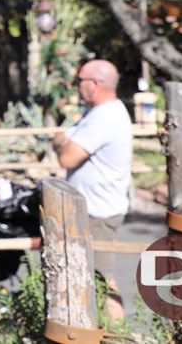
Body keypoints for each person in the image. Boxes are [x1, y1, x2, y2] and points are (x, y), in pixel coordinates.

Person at [52, 59, 132, 320]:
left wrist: (66, 142)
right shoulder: (95, 113)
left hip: (98, 211)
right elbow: (61, 140)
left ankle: (118, 336)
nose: (77, 86)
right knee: (88, 275)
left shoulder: (106, 116)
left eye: (80, 81)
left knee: (101, 279)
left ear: (95, 84)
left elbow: (66, 156)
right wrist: (65, 142)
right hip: (91, 208)